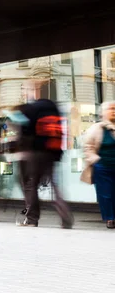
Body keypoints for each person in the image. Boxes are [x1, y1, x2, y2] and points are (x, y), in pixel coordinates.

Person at [16, 80, 73, 228]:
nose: (24, 92)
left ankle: (32, 219)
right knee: (54, 184)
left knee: (30, 184)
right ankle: (65, 214)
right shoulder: (53, 107)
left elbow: (24, 131)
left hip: (34, 153)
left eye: (25, 89)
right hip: (52, 152)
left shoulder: (30, 108)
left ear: (35, 90)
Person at [83, 102, 115, 228]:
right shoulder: (96, 128)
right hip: (102, 167)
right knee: (105, 193)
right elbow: (88, 146)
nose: (113, 111)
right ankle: (110, 218)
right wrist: (95, 160)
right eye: (111, 109)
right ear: (104, 112)